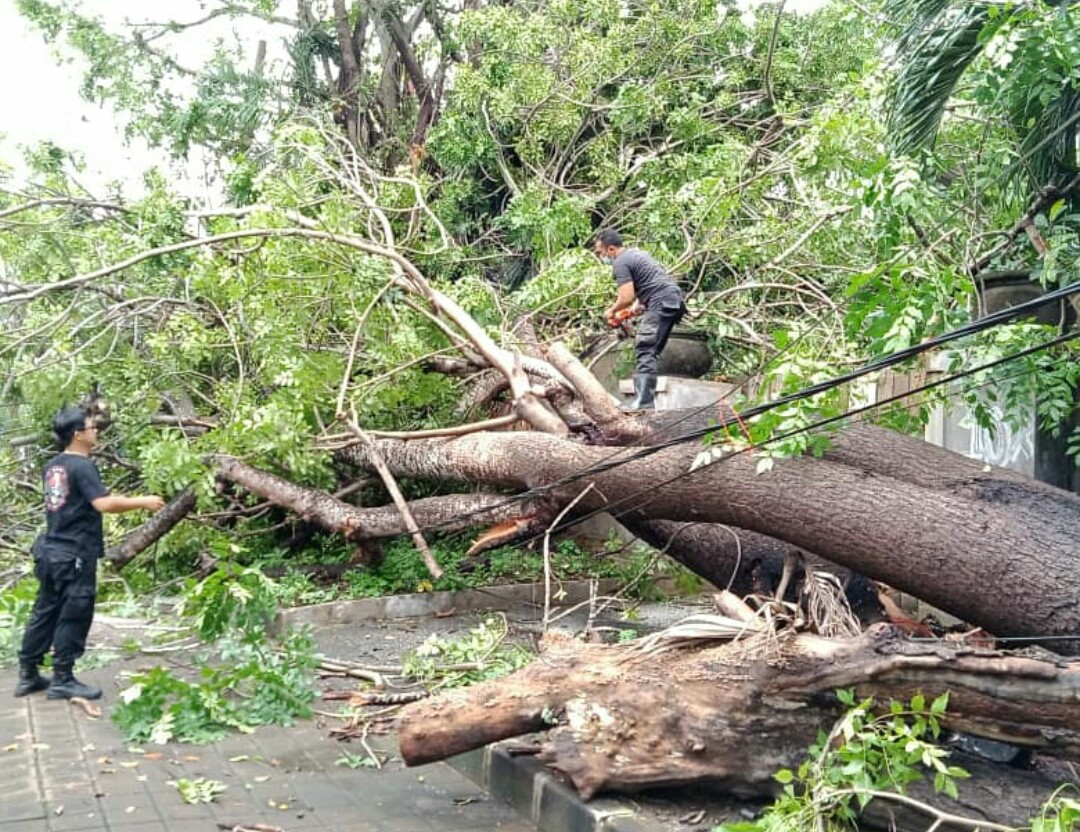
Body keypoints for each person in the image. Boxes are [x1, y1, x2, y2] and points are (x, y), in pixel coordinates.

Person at [14, 406, 165, 700]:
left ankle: (28, 674)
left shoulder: (53, 465)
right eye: (91, 427)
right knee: (74, 614)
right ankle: (62, 679)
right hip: (74, 554)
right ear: (77, 434)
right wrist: (142, 501)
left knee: (44, 611)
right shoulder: (82, 466)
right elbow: (103, 504)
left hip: (50, 551)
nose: (96, 430)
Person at [595, 229, 686, 410]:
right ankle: (644, 399)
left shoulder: (620, 262)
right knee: (650, 350)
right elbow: (653, 280)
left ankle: (644, 402)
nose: (600, 257)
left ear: (611, 249)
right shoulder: (637, 254)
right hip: (672, 299)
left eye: (600, 253)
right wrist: (638, 304)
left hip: (661, 300)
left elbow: (626, 297)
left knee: (645, 345)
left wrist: (611, 311)